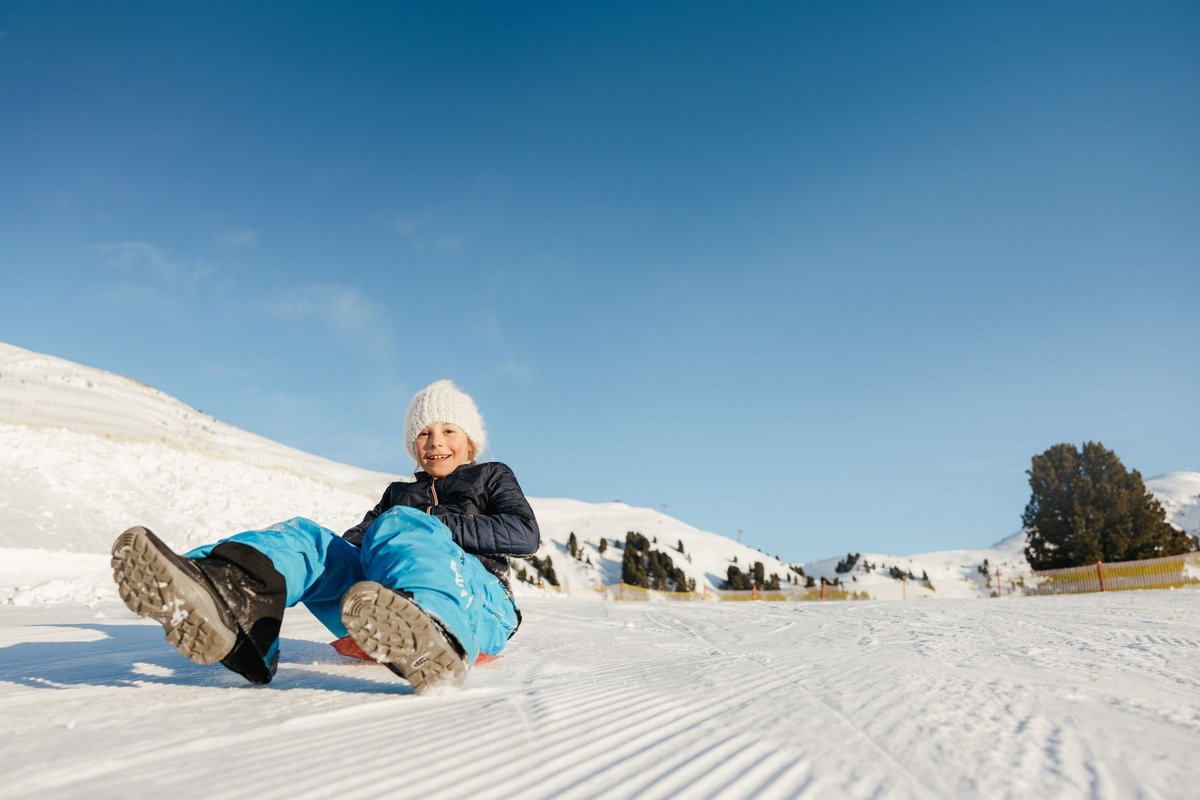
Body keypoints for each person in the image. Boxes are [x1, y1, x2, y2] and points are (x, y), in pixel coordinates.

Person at [111, 379, 540, 694]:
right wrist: (335, 557)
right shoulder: (398, 495)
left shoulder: (491, 477)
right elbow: (354, 544)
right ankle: (228, 593)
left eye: (449, 431)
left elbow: (524, 534)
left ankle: (437, 627)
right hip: (384, 610)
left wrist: (432, 522)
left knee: (401, 524)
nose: (435, 442)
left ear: (470, 441)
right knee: (310, 537)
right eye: (424, 433)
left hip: (477, 604)